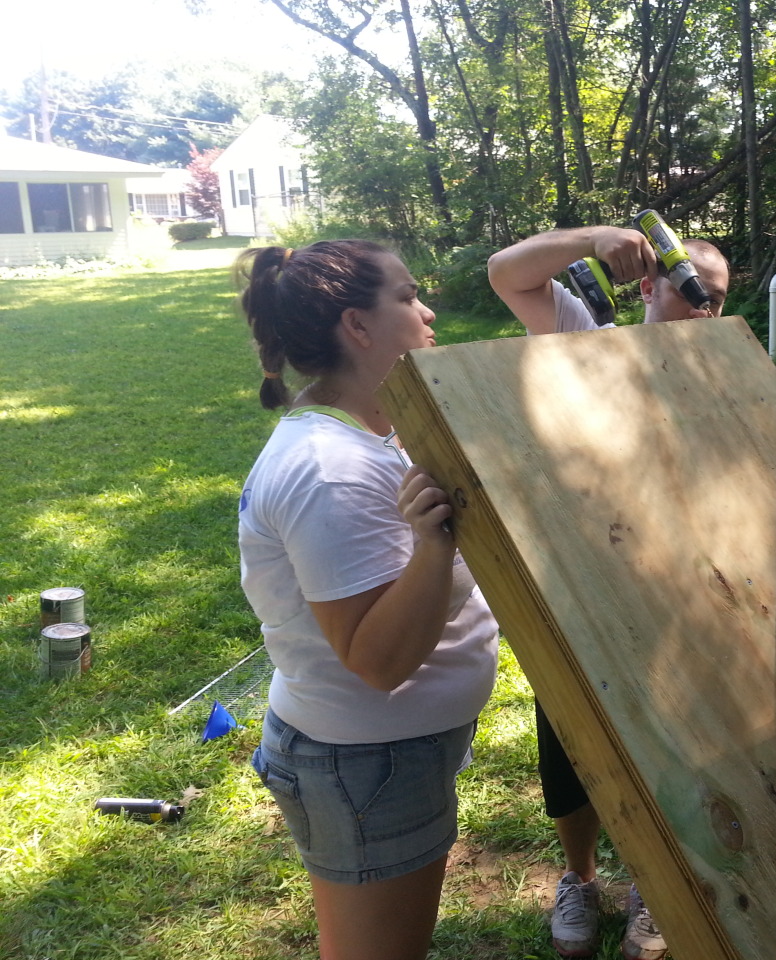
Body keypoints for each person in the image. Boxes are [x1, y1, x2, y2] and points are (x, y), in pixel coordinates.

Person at [235, 240, 499, 960]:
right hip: (365, 765)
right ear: (358, 326)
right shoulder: (329, 470)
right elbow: (376, 660)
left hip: (388, 755)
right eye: (409, 296)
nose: (428, 309)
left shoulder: (379, 430)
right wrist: (435, 544)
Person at [487, 225, 731, 960]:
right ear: (653, 286)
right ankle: (580, 878)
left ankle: (651, 884)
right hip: (582, 590)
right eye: (691, 292)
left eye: (714, 299)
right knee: (570, 738)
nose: (702, 311)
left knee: (672, 745)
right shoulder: (588, 341)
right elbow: (507, 275)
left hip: (680, 601)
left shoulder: (730, 372)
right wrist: (596, 239)